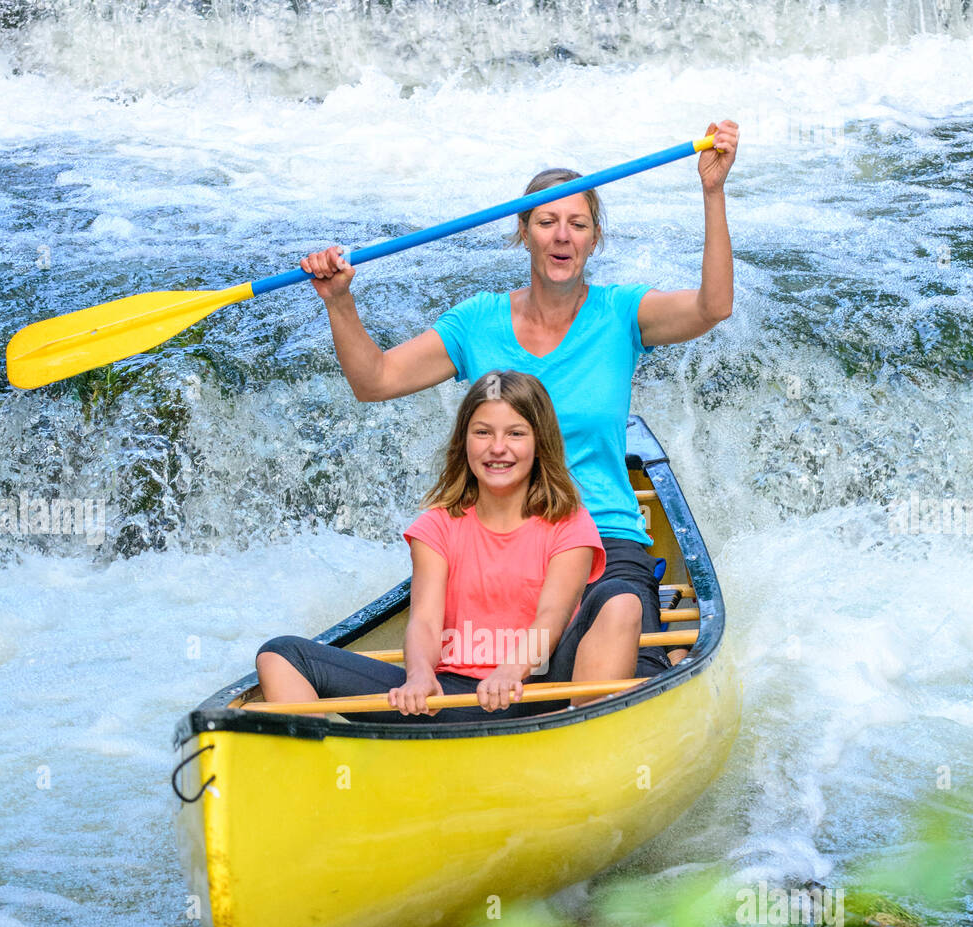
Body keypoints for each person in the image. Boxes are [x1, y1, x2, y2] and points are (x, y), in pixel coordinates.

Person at [298, 119, 738, 680]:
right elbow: (375, 380)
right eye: (547, 222)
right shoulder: (477, 321)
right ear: (523, 233)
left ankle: (637, 669)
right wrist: (339, 302)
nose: (562, 236)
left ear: (593, 238)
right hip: (499, 542)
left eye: (577, 224)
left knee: (614, 626)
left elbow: (712, 306)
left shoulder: (621, 312)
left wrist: (713, 191)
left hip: (604, 533)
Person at [256, 371, 647, 722]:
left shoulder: (569, 522)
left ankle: (589, 737)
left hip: (540, 692)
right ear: (464, 442)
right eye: (483, 432)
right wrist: (420, 676)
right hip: (455, 699)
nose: (498, 448)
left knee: (621, 598)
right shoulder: (436, 525)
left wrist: (510, 670)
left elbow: (552, 616)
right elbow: (425, 620)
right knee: (281, 655)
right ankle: (321, 773)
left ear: (540, 443)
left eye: (515, 433)